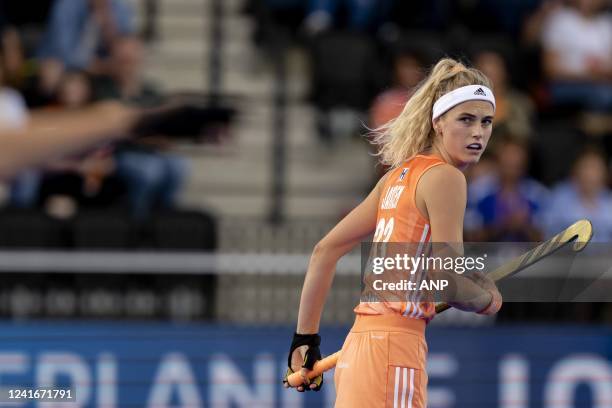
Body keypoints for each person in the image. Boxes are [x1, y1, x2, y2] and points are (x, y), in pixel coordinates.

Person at [283, 58, 503, 406]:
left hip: (361, 347)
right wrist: (485, 299)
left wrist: (304, 339)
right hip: (394, 352)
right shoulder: (447, 179)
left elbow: (324, 251)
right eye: (466, 119)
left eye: (486, 121)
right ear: (438, 122)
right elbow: (448, 281)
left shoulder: (397, 177)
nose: (478, 132)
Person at [544, 148, 612, 242]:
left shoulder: (609, 200)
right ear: (575, 169)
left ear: (605, 173)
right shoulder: (559, 197)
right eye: (586, 167)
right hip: (566, 255)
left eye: (595, 168)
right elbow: (544, 234)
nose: (589, 174)